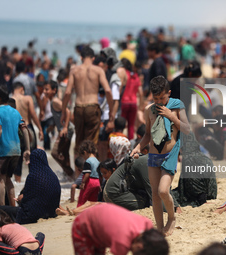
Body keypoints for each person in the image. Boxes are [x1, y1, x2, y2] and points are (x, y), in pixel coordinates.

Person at [131, 76, 190, 235]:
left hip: (169, 155)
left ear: (169, 93)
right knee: (155, 196)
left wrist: (171, 116)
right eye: (156, 98)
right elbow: (147, 135)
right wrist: (137, 147)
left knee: (163, 191)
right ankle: (159, 228)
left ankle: (171, 218)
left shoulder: (177, 106)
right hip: (153, 156)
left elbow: (186, 129)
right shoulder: (149, 110)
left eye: (162, 98)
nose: (159, 101)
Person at [61, 46, 113, 154]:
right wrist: (111, 112)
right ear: (93, 58)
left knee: (79, 141)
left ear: (81, 57)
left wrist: (63, 111)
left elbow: (67, 92)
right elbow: (108, 90)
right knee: (91, 143)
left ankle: (79, 169)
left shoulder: (74, 70)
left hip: (79, 107)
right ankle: (90, 169)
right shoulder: (98, 70)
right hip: (92, 106)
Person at [72, 203, 169, 255]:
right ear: (139, 247)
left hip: (99, 227)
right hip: (83, 227)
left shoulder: (147, 224)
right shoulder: (122, 242)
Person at [0, 149, 61, 224]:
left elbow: (26, 201)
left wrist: (20, 200)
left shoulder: (33, 176)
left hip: (33, 215)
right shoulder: (53, 176)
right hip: (51, 213)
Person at [0, 85, 30, 206]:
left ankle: (2, 208)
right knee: (8, 179)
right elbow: (24, 130)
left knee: (0, 180)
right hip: (16, 150)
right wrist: (27, 149)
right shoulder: (15, 112)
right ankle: (13, 207)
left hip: (3, 150)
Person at [11, 82, 43, 182]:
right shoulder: (28, 98)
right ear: (22, 89)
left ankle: (17, 183)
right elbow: (33, 114)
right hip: (28, 128)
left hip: (15, 130)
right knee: (32, 156)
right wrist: (40, 129)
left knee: (17, 159)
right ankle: (33, 183)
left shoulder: (10, 100)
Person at [44, 80, 74, 178]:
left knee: (55, 153)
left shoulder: (55, 101)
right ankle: (68, 175)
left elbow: (68, 111)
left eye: (47, 89)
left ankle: (71, 173)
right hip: (66, 129)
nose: (44, 91)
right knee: (64, 154)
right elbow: (59, 115)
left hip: (66, 130)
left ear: (54, 90)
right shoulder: (52, 101)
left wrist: (65, 128)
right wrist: (52, 126)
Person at [121, 58, 144, 140]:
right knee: (131, 125)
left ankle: (120, 141)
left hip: (124, 102)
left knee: (121, 124)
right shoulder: (136, 76)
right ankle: (130, 143)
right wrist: (141, 105)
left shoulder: (124, 74)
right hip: (133, 103)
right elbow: (141, 92)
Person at [77, 140, 101, 207]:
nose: (84, 158)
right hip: (97, 182)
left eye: (83, 156)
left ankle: (78, 209)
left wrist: (83, 182)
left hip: (89, 181)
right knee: (93, 199)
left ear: (85, 152)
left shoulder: (88, 161)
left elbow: (87, 173)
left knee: (82, 198)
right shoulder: (97, 161)